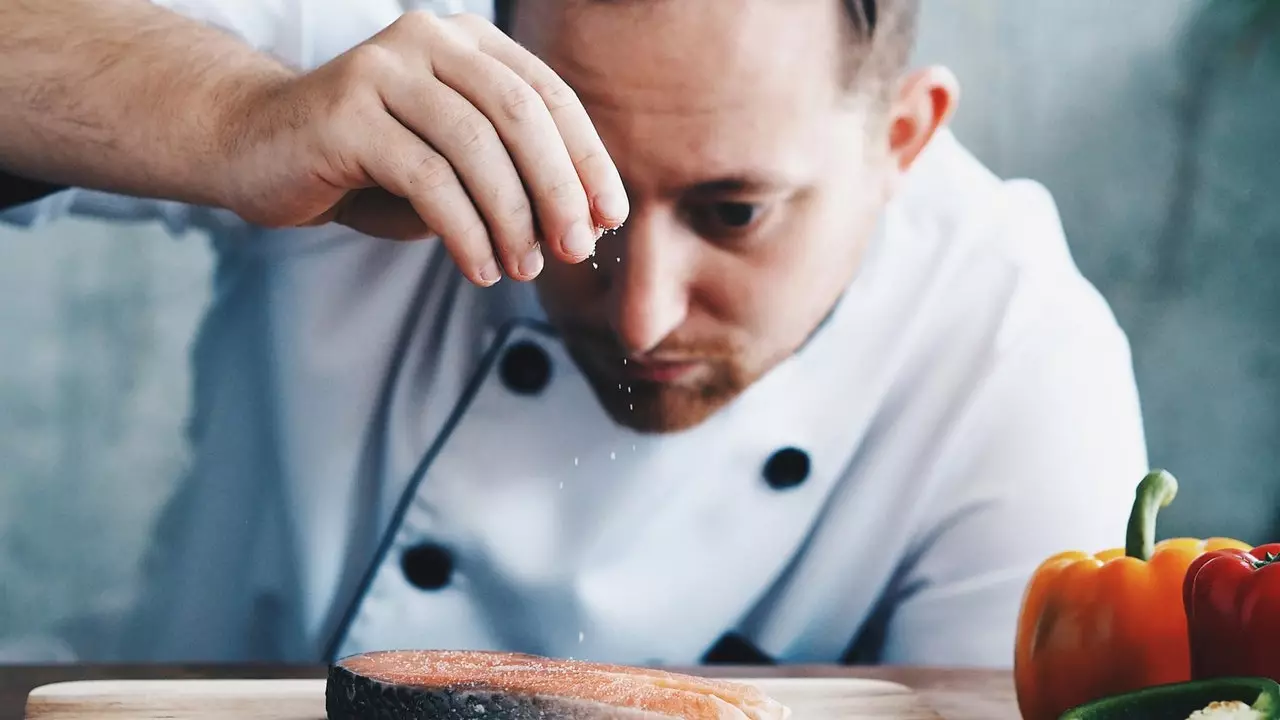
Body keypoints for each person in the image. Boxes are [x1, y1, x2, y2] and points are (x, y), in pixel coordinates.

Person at [0, 0, 1149, 668]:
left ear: (902, 136)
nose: (641, 312)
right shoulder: (370, 86)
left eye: (731, 212)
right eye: (569, 190)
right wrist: (231, 116)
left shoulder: (1018, 360)